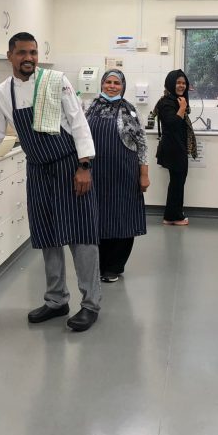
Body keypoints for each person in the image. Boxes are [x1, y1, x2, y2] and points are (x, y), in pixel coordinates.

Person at [0, 32, 101, 332]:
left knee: (81, 237)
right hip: (38, 169)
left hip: (69, 166)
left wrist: (84, 166)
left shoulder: (56, 81)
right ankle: (56, 300)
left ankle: (90, 303)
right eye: (23, 53)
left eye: (34, 52)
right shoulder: (1, 94)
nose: (29, 58)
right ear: (10, 56)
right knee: (47, 235)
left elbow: (78, 123)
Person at [85, 69, 149, 283]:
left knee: (122, 218)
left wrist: (144, 175)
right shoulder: (90, 108)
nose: (112, 86)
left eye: (117, 83)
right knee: (98, 218)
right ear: (102, 84)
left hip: (124, 173)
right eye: (108, 82)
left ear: (123, 86)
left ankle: (114, 266)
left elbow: (142, 144)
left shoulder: (129, 111)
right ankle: (100, 264)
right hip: (96, 174)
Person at [154, 69, 197, 226]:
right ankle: (173, 216)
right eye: (178, 82)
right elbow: (172, 123)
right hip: (173, 148)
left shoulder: (176, 100)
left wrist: (183, 105)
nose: (181, 85)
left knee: (177, 181)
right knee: (177, 182)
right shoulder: (166, 102)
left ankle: (173, 214)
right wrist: (182, 107)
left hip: (177, 146)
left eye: (184, 83)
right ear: (171, 83)